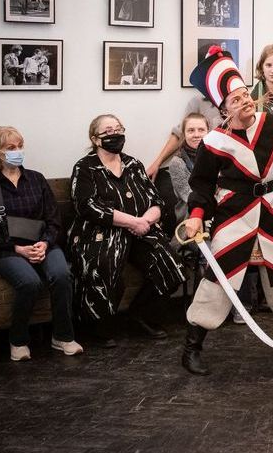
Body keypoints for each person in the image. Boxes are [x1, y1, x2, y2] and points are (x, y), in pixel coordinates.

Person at [180, 45, 273, 375]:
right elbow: (202, 185)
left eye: (244, 96)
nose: (244, 102)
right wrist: (196, 216)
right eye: (235, 100)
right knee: (219, 277)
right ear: (224, 110)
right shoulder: (214, 142)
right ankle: (192, 345)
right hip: (235, 213)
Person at [68, 114, 186, 348]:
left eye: (118, 129)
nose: (115, 134)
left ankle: (140, 314)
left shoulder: (133, 164)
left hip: (141, 228)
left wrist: (144, 221)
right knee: (104, 264)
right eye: (108, 131)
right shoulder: (85, 168)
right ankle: (99, 327)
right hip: (101, 232)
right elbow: (87, 206)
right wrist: (132, 222)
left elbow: (156, 201)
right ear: (95, 139)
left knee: (171, 264)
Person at [0, 126, 82, 361]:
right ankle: (18, 339)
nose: (18, 151)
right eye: (11, 148)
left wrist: (45, 243)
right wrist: (17, 249)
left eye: (20, 146)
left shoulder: (36, 179)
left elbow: (53, 219)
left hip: (41, 243)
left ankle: (62, 336)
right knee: (29, 282)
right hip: (5, 249)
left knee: (62, 274)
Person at [167, 113, 209, 223]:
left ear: (208, 132)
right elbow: (189, 197)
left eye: (201, 130)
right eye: (191, 130)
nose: (196, 135)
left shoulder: (216, 156)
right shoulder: (177, 163)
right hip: (190, 217)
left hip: (218, 212)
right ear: (184, 134)